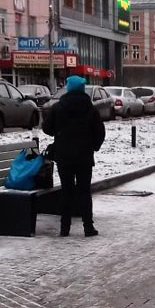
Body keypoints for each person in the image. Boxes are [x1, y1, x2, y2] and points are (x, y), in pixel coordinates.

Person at [42, 75, 105, 237]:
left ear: (68, 89)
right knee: (84, 191)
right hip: (84, 156)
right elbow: (100, 132)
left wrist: (59, 133)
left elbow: (47, 128)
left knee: (67, 191)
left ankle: (65, 228)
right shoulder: (91, 109)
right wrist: (94, 146)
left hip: (64, 156)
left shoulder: (58, 107)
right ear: (82, 89)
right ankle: (88, 227)